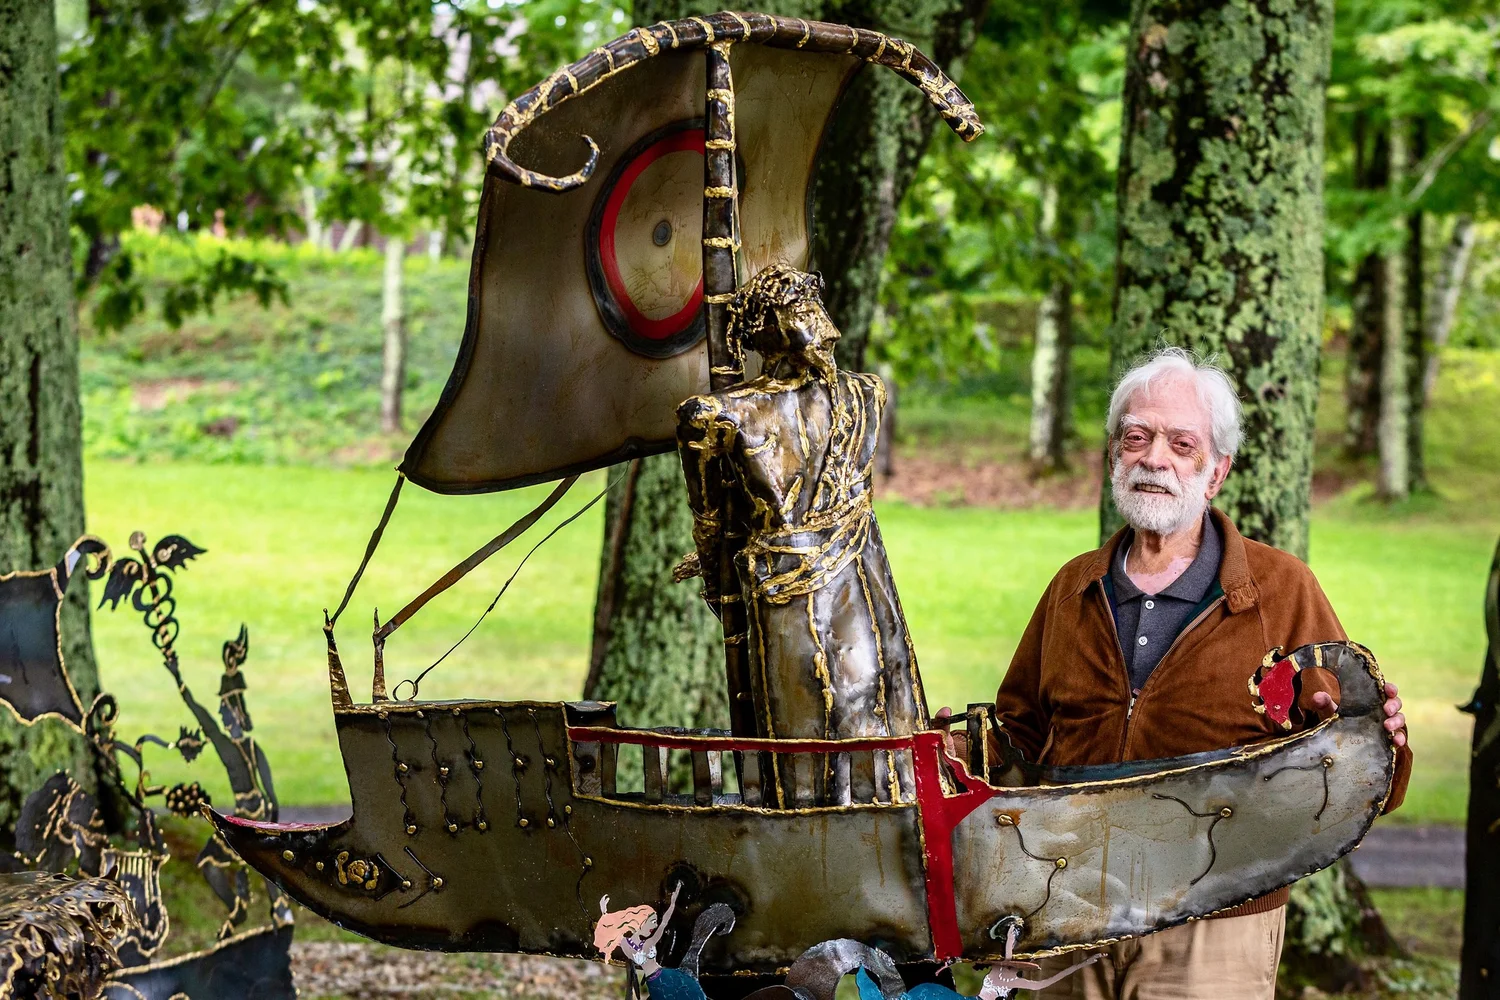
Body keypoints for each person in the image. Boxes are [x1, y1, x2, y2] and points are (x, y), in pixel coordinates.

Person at [992, 347, 1413, 999]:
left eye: (1180, 443)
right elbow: (1016, 731)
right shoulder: (1072, 589)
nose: (1154, 458)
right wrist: (960, 749)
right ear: (1113, 456)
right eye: (1137, 436)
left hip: (1217, 924)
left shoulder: (1281, 591)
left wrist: (1384, 741)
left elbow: (1357, 759)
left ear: (1215, 472)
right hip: (1068, 912)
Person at [677, 264, 927, 805]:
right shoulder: (716, 417)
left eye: (820, 310)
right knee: (807, 707)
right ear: (767, 328)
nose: (828, 330)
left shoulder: (865, 396)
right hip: (785, 587)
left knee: (877, 690)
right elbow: (711, 521)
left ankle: (889, 804)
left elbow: (714, 525)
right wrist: (715, 565)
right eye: (804, 313)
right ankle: (808, 817)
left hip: (862, 573)